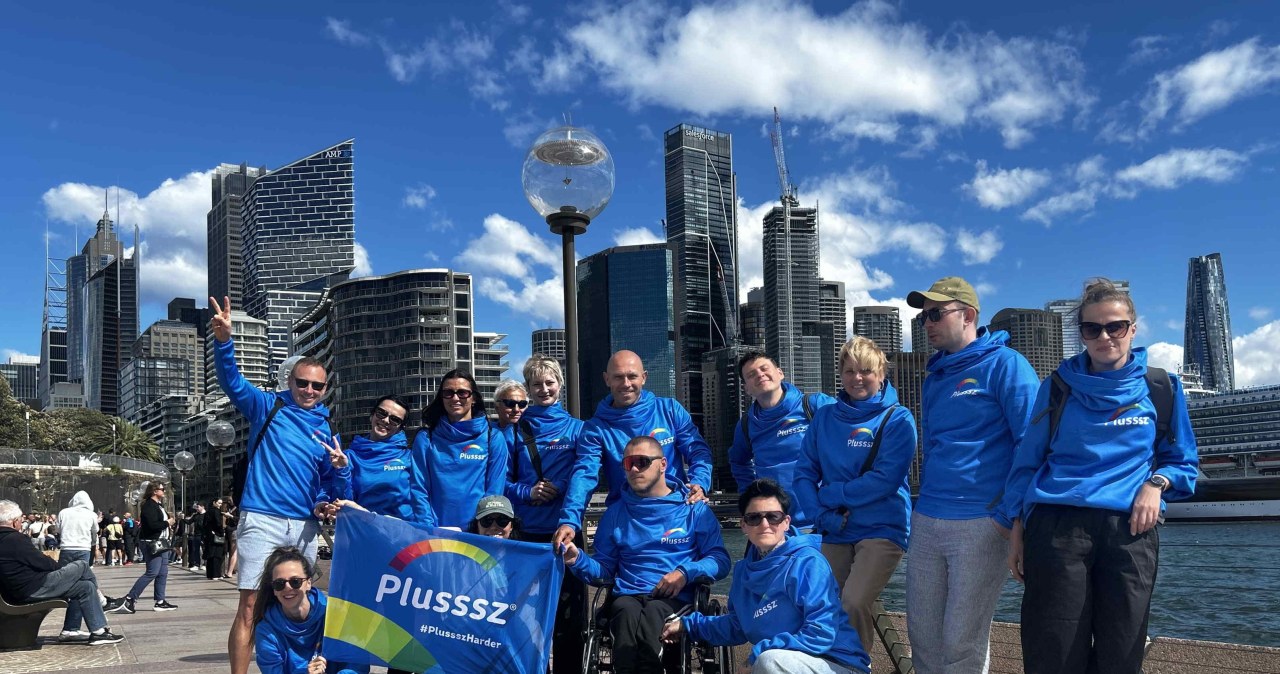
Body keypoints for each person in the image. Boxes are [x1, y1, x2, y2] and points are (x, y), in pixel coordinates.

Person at [998, 279, 1199, 673]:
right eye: (1092, 328)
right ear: (1082, 334)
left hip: (1131, 531)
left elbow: (1182, 461)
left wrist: (1156, 484)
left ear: (1133, 329)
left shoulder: (1161, 388)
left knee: (1121, 655)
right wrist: (1016, 528)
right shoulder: (1057, 388)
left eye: (1115, 327)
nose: (1105, 336)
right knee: (1053, 655)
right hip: (1057, 529)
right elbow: (1027, 462)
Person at [903, 276, 1039, 674]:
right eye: (923, 317)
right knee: (922, 635)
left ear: (968, 315)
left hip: (981, 521)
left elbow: (1031, 442)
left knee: (962, 640)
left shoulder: (1006, 364)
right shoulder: (935, 377)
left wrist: (1007, 516)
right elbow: (934, 447)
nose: (926, 324)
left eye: (935, 314)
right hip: (927, 519)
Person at [209, 296, 352, 674]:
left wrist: (338, 474)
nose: (309, 390)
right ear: (290, 381)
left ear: (325, 388)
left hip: (304, 525)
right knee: (251, 606)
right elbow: (232, 382)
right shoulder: (268, 406)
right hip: (262, 518)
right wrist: (224, 342)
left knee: (301, 603)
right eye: (302, 383)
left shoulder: (326, 427)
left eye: (317, 385)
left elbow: (331, 489)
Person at [559, 436, 729, 674]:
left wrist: (685, 573)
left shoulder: (694, 509)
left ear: (663, 464)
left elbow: (720, 560)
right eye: (628, 464)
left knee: (653, 613)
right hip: (628, 595)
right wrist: (577, 560)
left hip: (678, 598)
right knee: (625, 610)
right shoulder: (614, 514)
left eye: (642, 462)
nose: (634, 469)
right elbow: (604, 570)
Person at [662, 479, 870, 674]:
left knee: (769, 662)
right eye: (754, 518)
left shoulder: (808, 563)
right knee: (768, 661)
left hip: (837, 663)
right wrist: (688, 625)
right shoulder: (743, 571)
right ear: (743, 525)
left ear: (786, 522)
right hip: (784, 662)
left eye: (773, 517)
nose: (764, 524)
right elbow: (736, 626)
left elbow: (821, 631)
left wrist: (757, 654)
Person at [793, 336, 916, 654]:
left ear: (881, 374)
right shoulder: (824, 418)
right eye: (849, 371)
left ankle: (856, 664)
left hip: (882, 528)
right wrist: (821, 516)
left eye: (866, 371)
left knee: (854, 600)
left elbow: (885, 480)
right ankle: (826, 663)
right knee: (819, 600)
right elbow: (804, 474)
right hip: (834, 527)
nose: (857, 378)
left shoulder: (898, 418)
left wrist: (834, 493)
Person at [554, 350, 714, 550]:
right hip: (627, 524)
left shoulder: (670, 410)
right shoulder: (595, 428)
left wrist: (700, 482)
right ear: (606, 379)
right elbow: (585, 474)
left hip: (677, 515)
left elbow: (698, 451)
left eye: (632, 376)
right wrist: (570, 520)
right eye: (618, 377)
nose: (626, 383)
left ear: (644, 377)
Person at [507, 354, 587, 674]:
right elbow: (499, 482)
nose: (544, 389)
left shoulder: (578, 429)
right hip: (526, 534)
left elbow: (585, 475)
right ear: (527, 388)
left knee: (570, 619)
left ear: (560, 384)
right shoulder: (513, 431)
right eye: (536, 384)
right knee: (524, 618)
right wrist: (528, 492)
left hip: (566, 534)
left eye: (549, 382)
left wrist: (561, 486)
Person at [730, 351, 835, 529]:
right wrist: (751, 497)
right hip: (774, 525)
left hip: (824, 520)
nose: (760, 375)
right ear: (746, 388)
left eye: (764, 368)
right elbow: (738, 462)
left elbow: (849, 431)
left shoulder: (814, 405)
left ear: (780, 373)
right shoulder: (746, 425)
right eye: (751, 374)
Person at [0, 499, 125, 645]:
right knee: (81, 565)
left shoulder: (6, 539)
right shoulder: (15, 539)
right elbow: (42, 563)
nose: (21, 523)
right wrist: (62, 571)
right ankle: (103, 602)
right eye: (20, 520)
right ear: (14, 522)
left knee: (85, 587)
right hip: (33, 588)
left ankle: (99, 632)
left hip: (17, 589)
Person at [410, 369, 507, 529]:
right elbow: (419, 489)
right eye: (448, 393)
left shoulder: (493, 437)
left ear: (473, 398)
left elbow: (494, 491)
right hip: (436, 531)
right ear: (441, 398)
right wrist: (428, 529)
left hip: (478, 531)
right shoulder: (426, 438)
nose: (455, 398)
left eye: (462, 393)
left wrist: (483, 527)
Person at [252, 546, 356, 674]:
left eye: (295, 581)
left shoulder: (336, 615)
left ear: (308, 583)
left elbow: (356, 663)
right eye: (279, 583)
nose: (287, 587)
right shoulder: (267, 631)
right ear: (274, 589)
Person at [333, 394, 428, 524]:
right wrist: (341, 471)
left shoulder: (409, 458)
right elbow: (344, 503)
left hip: (402, 530)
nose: (386, 420)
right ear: (372, 415)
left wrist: (425, 529)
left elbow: (422, 497)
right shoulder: (348, 457)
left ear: (401, 428)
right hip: (364, 529)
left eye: (395, 419)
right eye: (381, 413)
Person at [110, 481, 179, 614]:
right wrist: (167, 522)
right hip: (152, 542)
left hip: (162, 542)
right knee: (152, 572)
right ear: (154, 491)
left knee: (163, 572)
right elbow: (152, 525)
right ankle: (130, 598)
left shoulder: (159, 505)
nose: (164, 491)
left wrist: (169, 522)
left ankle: (160, 601)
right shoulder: (149, 506)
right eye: (162, 489)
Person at [204, 498, 229, 580]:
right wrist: (222, 532)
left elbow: (205, 524)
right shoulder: (217, 512)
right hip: (217, 535)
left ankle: (210, 574)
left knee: (210, 555)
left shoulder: (208, 512)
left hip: (209, 535)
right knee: (217, 555)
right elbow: (218, 523)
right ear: (214, 502)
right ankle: (216, 574)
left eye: (221, 503)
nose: (220, 505)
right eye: (219, 503)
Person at [187, 503, 206, 571]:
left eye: (198, 507)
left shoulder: (206, 515)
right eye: (196, 507)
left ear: (202, 507)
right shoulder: (196, 515)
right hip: (196, 534)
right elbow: (189, 522)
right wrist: (183, 519)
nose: (197, 509)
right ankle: (197, 564)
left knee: (204, 550)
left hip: (204, 534)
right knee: (196, 550)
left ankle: (204, 564)